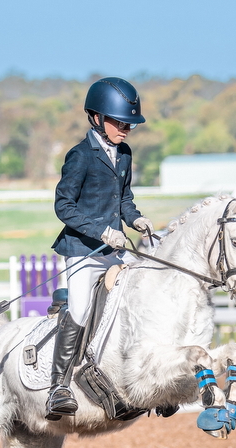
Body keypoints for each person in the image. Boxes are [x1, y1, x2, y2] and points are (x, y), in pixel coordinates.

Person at [45, 77, 151, 420]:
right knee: (79, 307)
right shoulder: (79, 156)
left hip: (115, 248)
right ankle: (58, 386)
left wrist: (136, 221)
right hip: (82, 250)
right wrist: (103, 231)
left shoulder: (124, 154)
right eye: (120, 122)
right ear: (96, 118)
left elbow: (125, 200)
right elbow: (64, 206)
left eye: (128, 124)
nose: (125, 129)